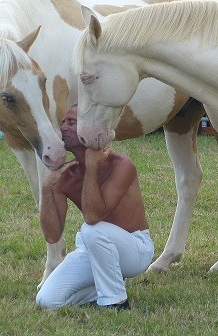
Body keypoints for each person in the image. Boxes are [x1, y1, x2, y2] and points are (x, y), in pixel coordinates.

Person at [36, 105, 154, 310]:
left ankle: (115, 300)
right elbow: (52, 236)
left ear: (87, 128)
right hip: (93, 247)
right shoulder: (67, 175)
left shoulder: (122, 164)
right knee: (46, 300)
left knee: (92, 230)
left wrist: (91, 166)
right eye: (63, 122)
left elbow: (93, 216)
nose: (63, 127)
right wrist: (47, 188)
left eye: (71, 123)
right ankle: (106, 285)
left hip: (135, 249)